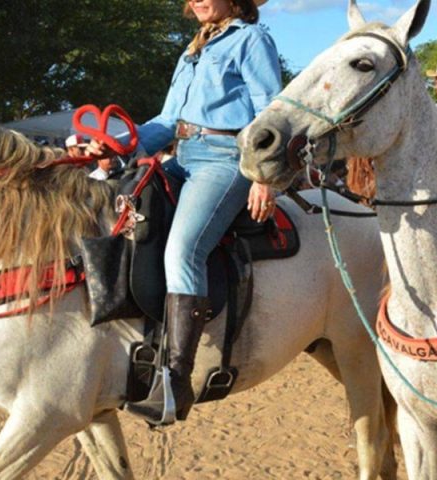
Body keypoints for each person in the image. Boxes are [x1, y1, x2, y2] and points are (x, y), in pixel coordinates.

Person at [87, 0, 280, 423]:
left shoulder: (251, 39)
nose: (195, 0)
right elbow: (168, 120)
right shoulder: (193, 50)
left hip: (227, 159)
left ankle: (176, 381)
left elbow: (272, 112)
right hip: (183, 155)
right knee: (120, 217)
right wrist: (120, 145)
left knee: (183, 251)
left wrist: (265, 176)